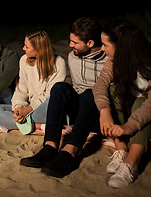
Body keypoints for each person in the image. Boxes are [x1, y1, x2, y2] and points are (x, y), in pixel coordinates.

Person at [93, 19, 151, 188]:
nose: (102, 48)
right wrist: (104, 111)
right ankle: (121, 148)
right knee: (111, 90)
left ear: (121, 46)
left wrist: (130, 126)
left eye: (105, 45)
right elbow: (100, 85)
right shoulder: (115, 61)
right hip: (136, 121)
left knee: (142, 101)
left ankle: (131, 164)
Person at [20, 16, 107, 178]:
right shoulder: (73, 57)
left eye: (75, 42)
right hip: (80, 110)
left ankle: (70, 153)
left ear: (90, 43)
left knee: (90, 94)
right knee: (59, 87)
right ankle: (50, 147)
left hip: (99, 114)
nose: (70, 45)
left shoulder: (109, 59)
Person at [0, 30, 66, 132]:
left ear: (38, 49)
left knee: (50, 106)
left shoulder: (59, 62)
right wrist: (18, 109)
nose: (23, 48)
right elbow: (21, 89)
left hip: (44, 107)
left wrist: (28, 110)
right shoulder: (24, 60)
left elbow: (50, 95)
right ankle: (38, 126)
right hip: (30, 107)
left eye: (27, 46)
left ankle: (13, 124)